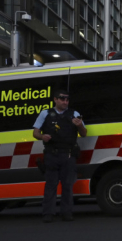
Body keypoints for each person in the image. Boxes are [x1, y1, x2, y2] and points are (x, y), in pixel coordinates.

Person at [32, 90, 86, 223]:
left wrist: (79, 126)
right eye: (62, 99)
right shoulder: (45, 113)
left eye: (67, 100)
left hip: (68, 155)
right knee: (51, 185)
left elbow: (84, 133)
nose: (65, 102)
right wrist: (42, 136)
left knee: (67, 185)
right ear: (55, 100)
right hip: (52, 154)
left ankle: (66, 213)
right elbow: (35, 132)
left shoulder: (74, 114)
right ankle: (48, 214)